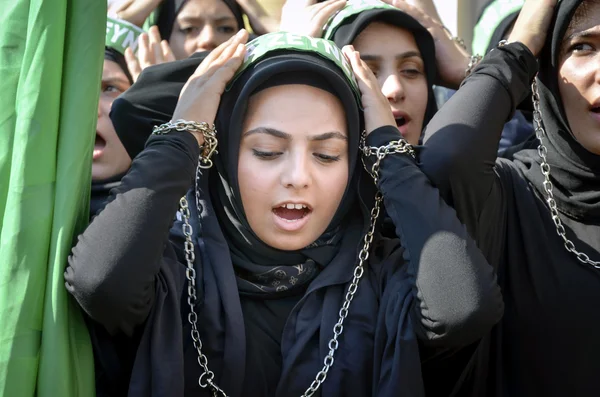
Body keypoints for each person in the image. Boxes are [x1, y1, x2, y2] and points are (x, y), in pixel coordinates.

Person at [65, 30, 502, 396]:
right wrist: (182, 135)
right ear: (220, 153)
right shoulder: (171, 271)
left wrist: (388, 150)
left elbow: (463, 310)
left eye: (328, 155)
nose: (298, 176)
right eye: (268, 151)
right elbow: (100, 282)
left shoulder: (384, 279)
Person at [419, 0, 600, 395]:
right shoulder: (507, 194)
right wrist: (521, 42)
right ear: (545, 70)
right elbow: (446, 157)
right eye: (583, 47)